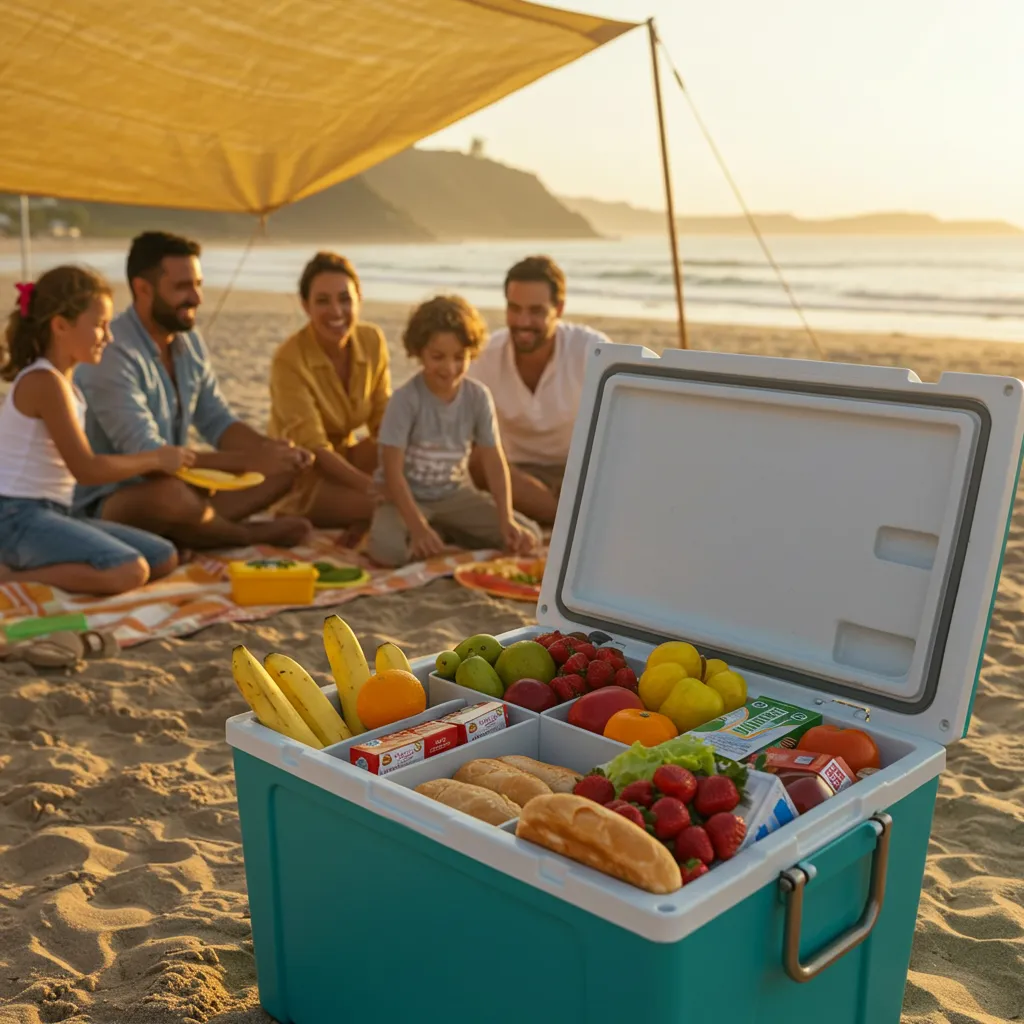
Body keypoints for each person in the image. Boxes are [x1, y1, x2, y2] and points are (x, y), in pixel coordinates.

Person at [74, 231, 314, 550]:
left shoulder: (188, 342)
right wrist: (250, 460)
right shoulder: (111, 353)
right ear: (143, 289)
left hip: (180, 483)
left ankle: (197, 529)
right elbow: (150, 456)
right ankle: (243, 536)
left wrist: (272, 452)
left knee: (284, 472)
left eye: (198, 284)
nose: (197, 298)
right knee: (170, 496)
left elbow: (217, 420)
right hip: (110, 502)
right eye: (183, 287)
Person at [0, 267, 191, 595]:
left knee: (162, 557)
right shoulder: (44, 382)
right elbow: (86, 469)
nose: (110, 336)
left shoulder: (65, 383)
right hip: (16, 517)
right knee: (129, 570)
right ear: (60, 326)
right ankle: (8, 578)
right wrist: (155, 459)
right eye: (101, 325)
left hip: (53, 511)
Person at [367, 295, 540, 568]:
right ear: (419, 352)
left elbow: (494, 461)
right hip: (406, 497)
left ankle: (446, 530)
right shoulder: (405, 399)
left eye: (460, 357)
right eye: (438, 357)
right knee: (387, 553)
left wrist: (505, 518)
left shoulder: (478, 397)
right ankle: (432, 531)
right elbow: (391, 471)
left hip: (454, 495)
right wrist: (418, 526)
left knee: (527, 535)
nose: (449, 368)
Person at [469, 255, 610, 525]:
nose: (522, 321)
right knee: (477, 462)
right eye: (514, 308)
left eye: (536, 311)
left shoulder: (590, 348)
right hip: (515, 476)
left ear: (558, 308)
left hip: (577, 473)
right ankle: (566, 520)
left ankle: (563, 517)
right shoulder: (486, 355)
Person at [267, 252, 390, 528]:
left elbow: (385, 422)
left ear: (359, 300)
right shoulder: (288, 359)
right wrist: (373, 487)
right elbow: (315, 450)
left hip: (349, 460)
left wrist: (401, 475)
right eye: (323, 301)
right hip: (304, 476)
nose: (336, 311)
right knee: (389, 507)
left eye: (345, 299)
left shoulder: (372, 340)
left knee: (410, 450)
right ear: (305, 305)